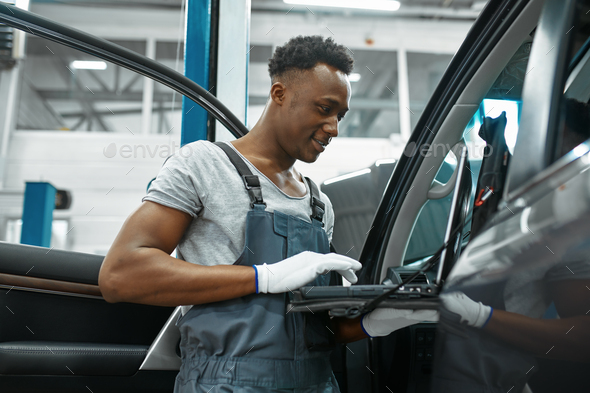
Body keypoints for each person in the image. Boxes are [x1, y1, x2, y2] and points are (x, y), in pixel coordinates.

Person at [98, 35, 437, 393]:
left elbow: (315, 332)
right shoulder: (204, 165)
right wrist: (263, 277)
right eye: (324, 109)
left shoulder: (319, 205)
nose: (334, 128)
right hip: (225, 384)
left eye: (341, 115)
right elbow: (121, 274)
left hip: (316, 384)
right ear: (279, 94)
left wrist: (373, 322)